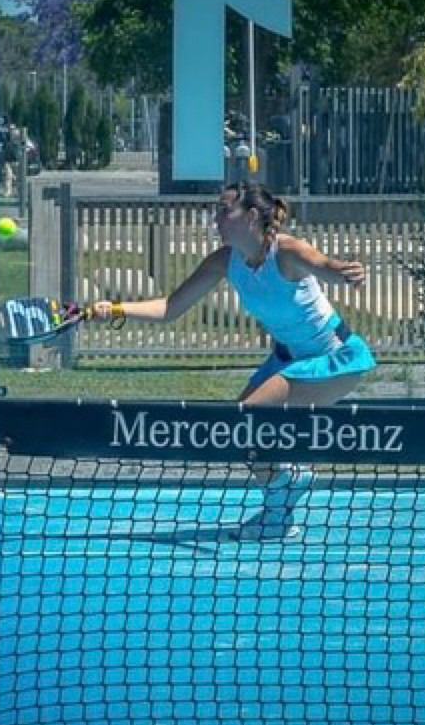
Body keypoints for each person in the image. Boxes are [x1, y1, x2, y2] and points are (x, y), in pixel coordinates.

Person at [95, 182, 376, 538]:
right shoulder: (224, 261)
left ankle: (288, 483)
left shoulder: (287, 251)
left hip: (334, 359)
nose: (215, 219)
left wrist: (347, 271)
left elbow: (326, 266)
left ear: (251, 216)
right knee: (237, 430)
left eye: (224, 211)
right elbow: (170, 307)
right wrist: (117, 309)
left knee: (246, 417)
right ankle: (279, 509)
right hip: (288, 361)